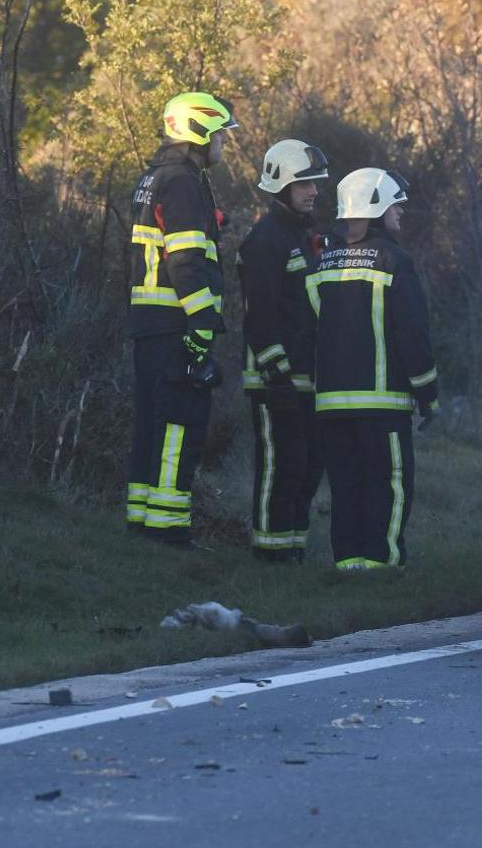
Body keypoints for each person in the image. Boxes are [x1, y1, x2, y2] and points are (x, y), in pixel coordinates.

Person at [308, 168, 438, 571]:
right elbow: (412, 334)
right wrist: (428, 393)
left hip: (330, 402)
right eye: (396, 206)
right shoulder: (395, 260)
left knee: (346, 486)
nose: (401, 214)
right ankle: (384, 562)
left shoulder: (322, 260)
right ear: (378, 207)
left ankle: (348, 564)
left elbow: (312, 325)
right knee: (391, 484)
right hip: (383, 402)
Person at [126, 92, 238, 544]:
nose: (222, 148)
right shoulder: (184, 183)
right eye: (219, 137)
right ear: (198, 133)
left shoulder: (154, 178)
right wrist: (202, 325)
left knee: (151, 421)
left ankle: (140, 520)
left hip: (150, 325)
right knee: (179, 422)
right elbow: (186, 261)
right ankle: (168, 530)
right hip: (177, 324)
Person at [238, 139, 330, 562]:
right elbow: (259, 314)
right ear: (281, 187)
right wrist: (276, 374)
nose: (313, 191)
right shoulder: (265, 240)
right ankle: (269, 553)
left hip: (305, 375)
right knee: (281, 465)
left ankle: (292, 550)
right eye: (304, 184)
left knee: (309, 465)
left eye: (315, 184)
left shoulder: (301, 236)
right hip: (275, 379)